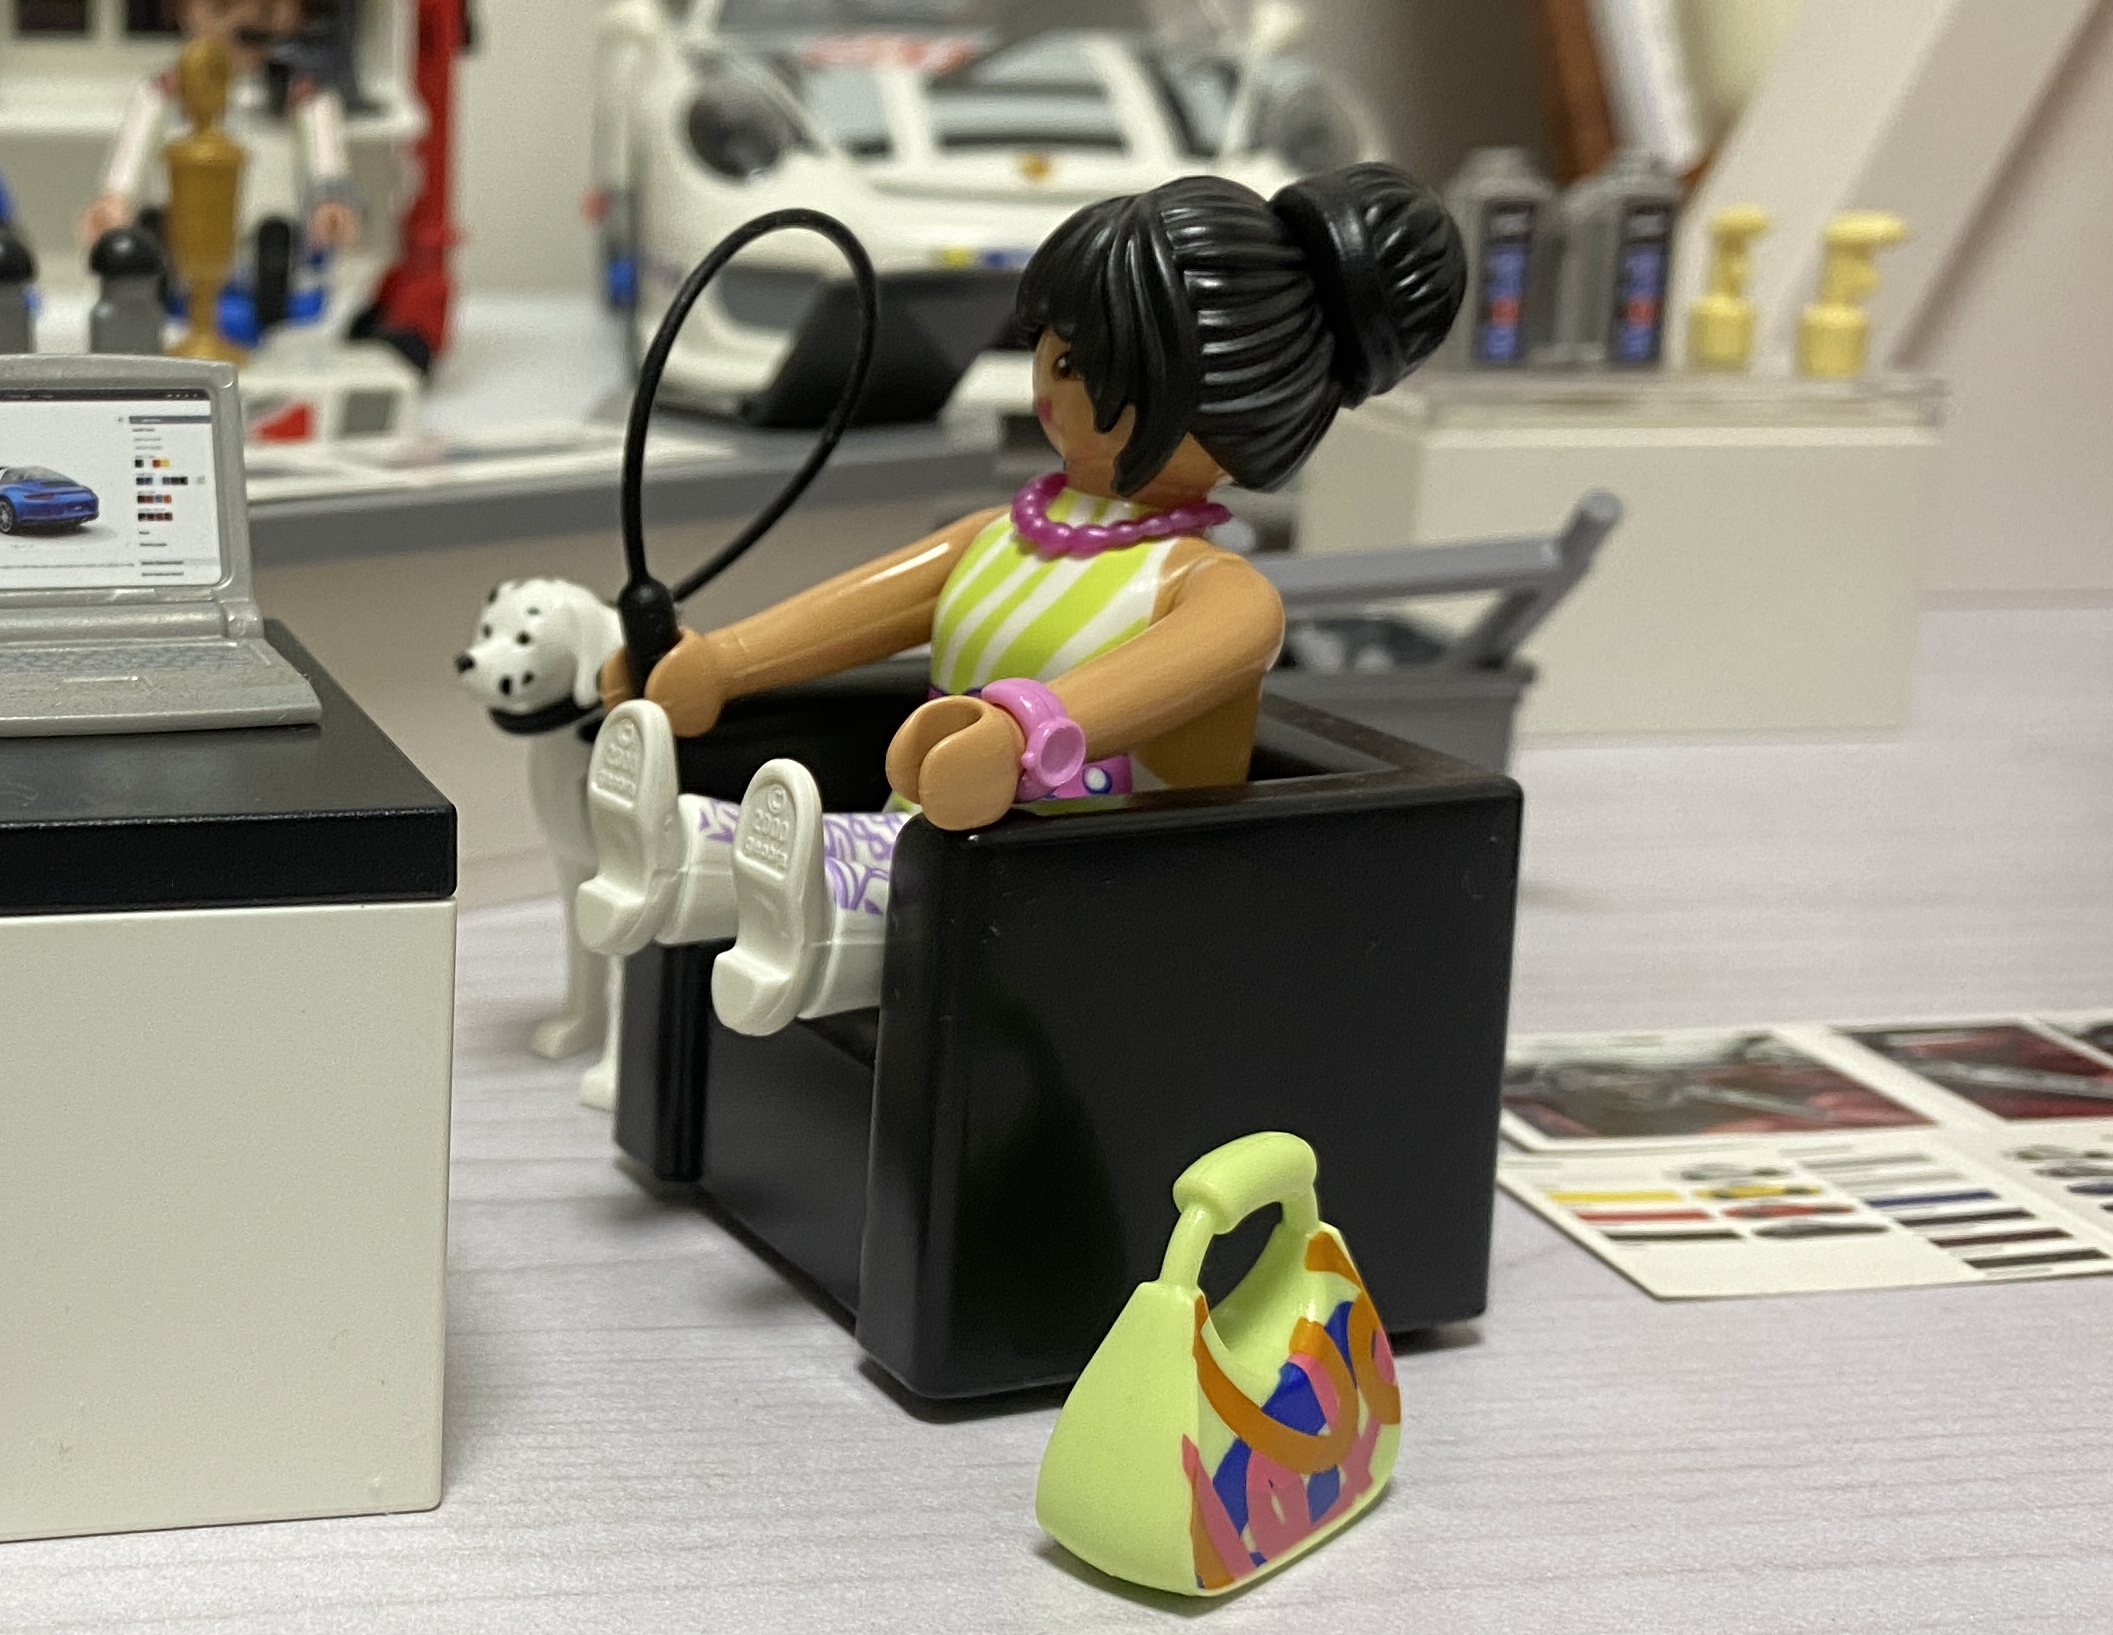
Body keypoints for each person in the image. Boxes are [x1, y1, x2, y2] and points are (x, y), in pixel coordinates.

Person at [576, 165, 1466, 1035]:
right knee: (777, 845)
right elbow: (856, 609)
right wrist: (722, 664)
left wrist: (1020, 734)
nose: (1046, 376)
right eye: (1047, 343)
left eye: (1080, 361)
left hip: (1089, 886)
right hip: (944, 837)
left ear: (1214, 399)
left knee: (838, 871)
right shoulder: (1001, 536)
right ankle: (686, 859)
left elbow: (1146, 682)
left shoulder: (1217, 592)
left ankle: (779, 914)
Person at [80, 0, 366, 287]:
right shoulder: (167, 90)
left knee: (274, 251)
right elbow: (134, 146)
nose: (245, 20)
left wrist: (330, 197)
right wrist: (117, 197)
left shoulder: (299, 95)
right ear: (182, 5)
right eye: (221, 5)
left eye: (267, 7)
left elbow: (323, 149)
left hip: (266, 229)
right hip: (183, 225)